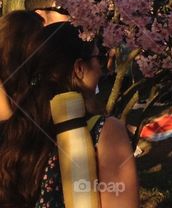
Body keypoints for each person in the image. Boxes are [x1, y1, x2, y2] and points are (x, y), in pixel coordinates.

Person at [0, 18, 139, 208]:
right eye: (98, 58)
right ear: (79, 68)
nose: (102, 68)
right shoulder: (105, 131)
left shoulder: (14, 129)